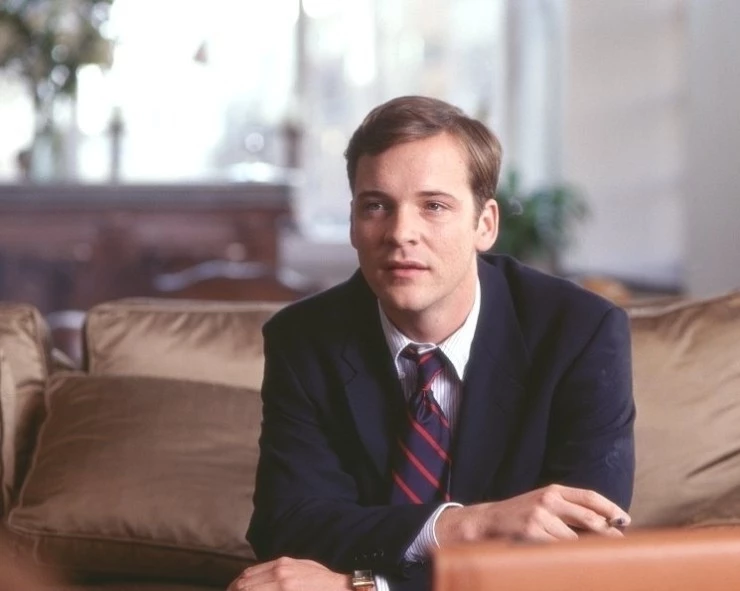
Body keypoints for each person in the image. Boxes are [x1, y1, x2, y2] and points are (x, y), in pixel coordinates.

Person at [228, 96, 635, 591]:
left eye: (434, 206)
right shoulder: (303, 338)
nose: (401, 233)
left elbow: (583, 553)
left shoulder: (581, 332)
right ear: (353, 223)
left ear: (485, 224)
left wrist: (365, 587)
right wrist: (466, 526)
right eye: (376, 206)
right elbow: (289, 526)